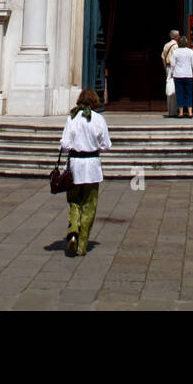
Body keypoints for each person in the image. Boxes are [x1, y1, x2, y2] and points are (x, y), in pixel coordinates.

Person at [60, 87, 111, 257]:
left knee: (74, 201)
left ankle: (73, 231)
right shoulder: (98, 119)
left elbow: (65, 145)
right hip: (92, 167)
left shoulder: (72, 118)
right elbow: (106, 145)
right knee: (89, 205)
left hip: (75, 165)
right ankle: (82, 246)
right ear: (95, 101)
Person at [169, 35, 193, 118]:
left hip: (178, 76)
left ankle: (181, 112)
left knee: (180, 94)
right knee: (188, 93)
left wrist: (170, 73)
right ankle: (190, 112)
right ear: (186, 43)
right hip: (188, 75)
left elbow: (172, 64)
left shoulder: (175, 52)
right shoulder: (190, 51)